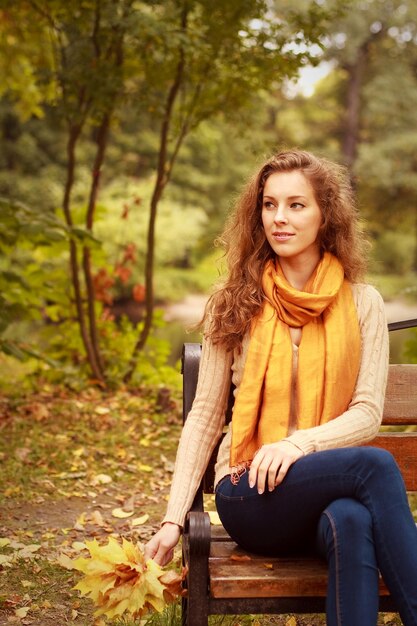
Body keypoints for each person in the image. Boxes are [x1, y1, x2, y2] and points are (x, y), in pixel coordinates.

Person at [145, 149, 417, 625]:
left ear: (325, 215)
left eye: (296, 205)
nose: (279, 219)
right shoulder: (234, 303)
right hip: (249, 491)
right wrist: (173, 520)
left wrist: (297, 443)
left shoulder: (363, 304)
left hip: (325, 492)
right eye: (269, 205)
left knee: (352, 522)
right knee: (375, 464)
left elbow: (368, 411)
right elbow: (206, 414)